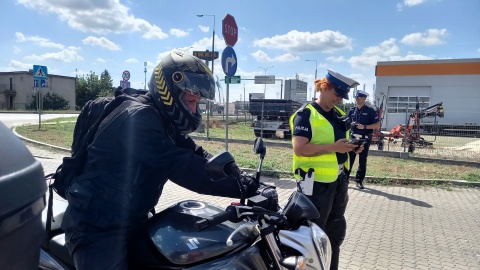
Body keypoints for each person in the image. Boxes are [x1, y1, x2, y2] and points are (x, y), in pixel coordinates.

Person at [61, 51, 259, 270]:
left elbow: (196, 154)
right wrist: (244, 188)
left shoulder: (162, 119)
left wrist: (243, 177)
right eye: (192, 101)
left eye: (197, 103)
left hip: (132, 219)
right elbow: (181, 166)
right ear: (169, 91)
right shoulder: (137, 119)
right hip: (96, 227)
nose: (194, 110)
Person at [290, 69, 363, 270]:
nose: (339, 99)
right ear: (324, 87)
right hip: (315, 185)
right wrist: (333, 147)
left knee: (335, 232)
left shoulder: (340, 115)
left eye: (342, 96)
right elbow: (300, 149)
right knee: (313, 236)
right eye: (337, 94)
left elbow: (342, 142)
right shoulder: (305, 115)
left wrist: (353, 146)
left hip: (339, 181)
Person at [347, 90, 380, 189]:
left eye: (359, 97)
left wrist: (364, 127)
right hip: (353, 138)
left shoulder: (370, 111)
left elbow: (377, 124)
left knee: (362, 160)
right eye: (356, 97)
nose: (357, 99)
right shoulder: (352, 110)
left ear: (364, 99)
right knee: (349, 160)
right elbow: (346, 123)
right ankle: (345, 179)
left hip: (364, 139)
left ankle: (359, 181)